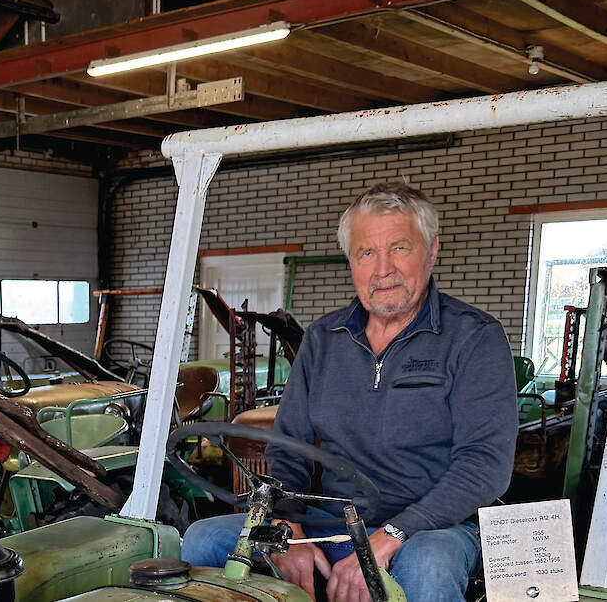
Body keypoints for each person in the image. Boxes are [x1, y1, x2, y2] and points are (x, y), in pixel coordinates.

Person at [182, 181, 518, 602]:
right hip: (332, 518)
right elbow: (290, 448)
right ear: (351, 261)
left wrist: (386, 539)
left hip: (433, 527)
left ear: (431, 251)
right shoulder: (324, 339)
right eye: (367, 253)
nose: (383, 270)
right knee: (204, 539)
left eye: (400, 248)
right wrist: (287, 525)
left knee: (429, 567)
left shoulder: (474, 337)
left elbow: (485, 465)